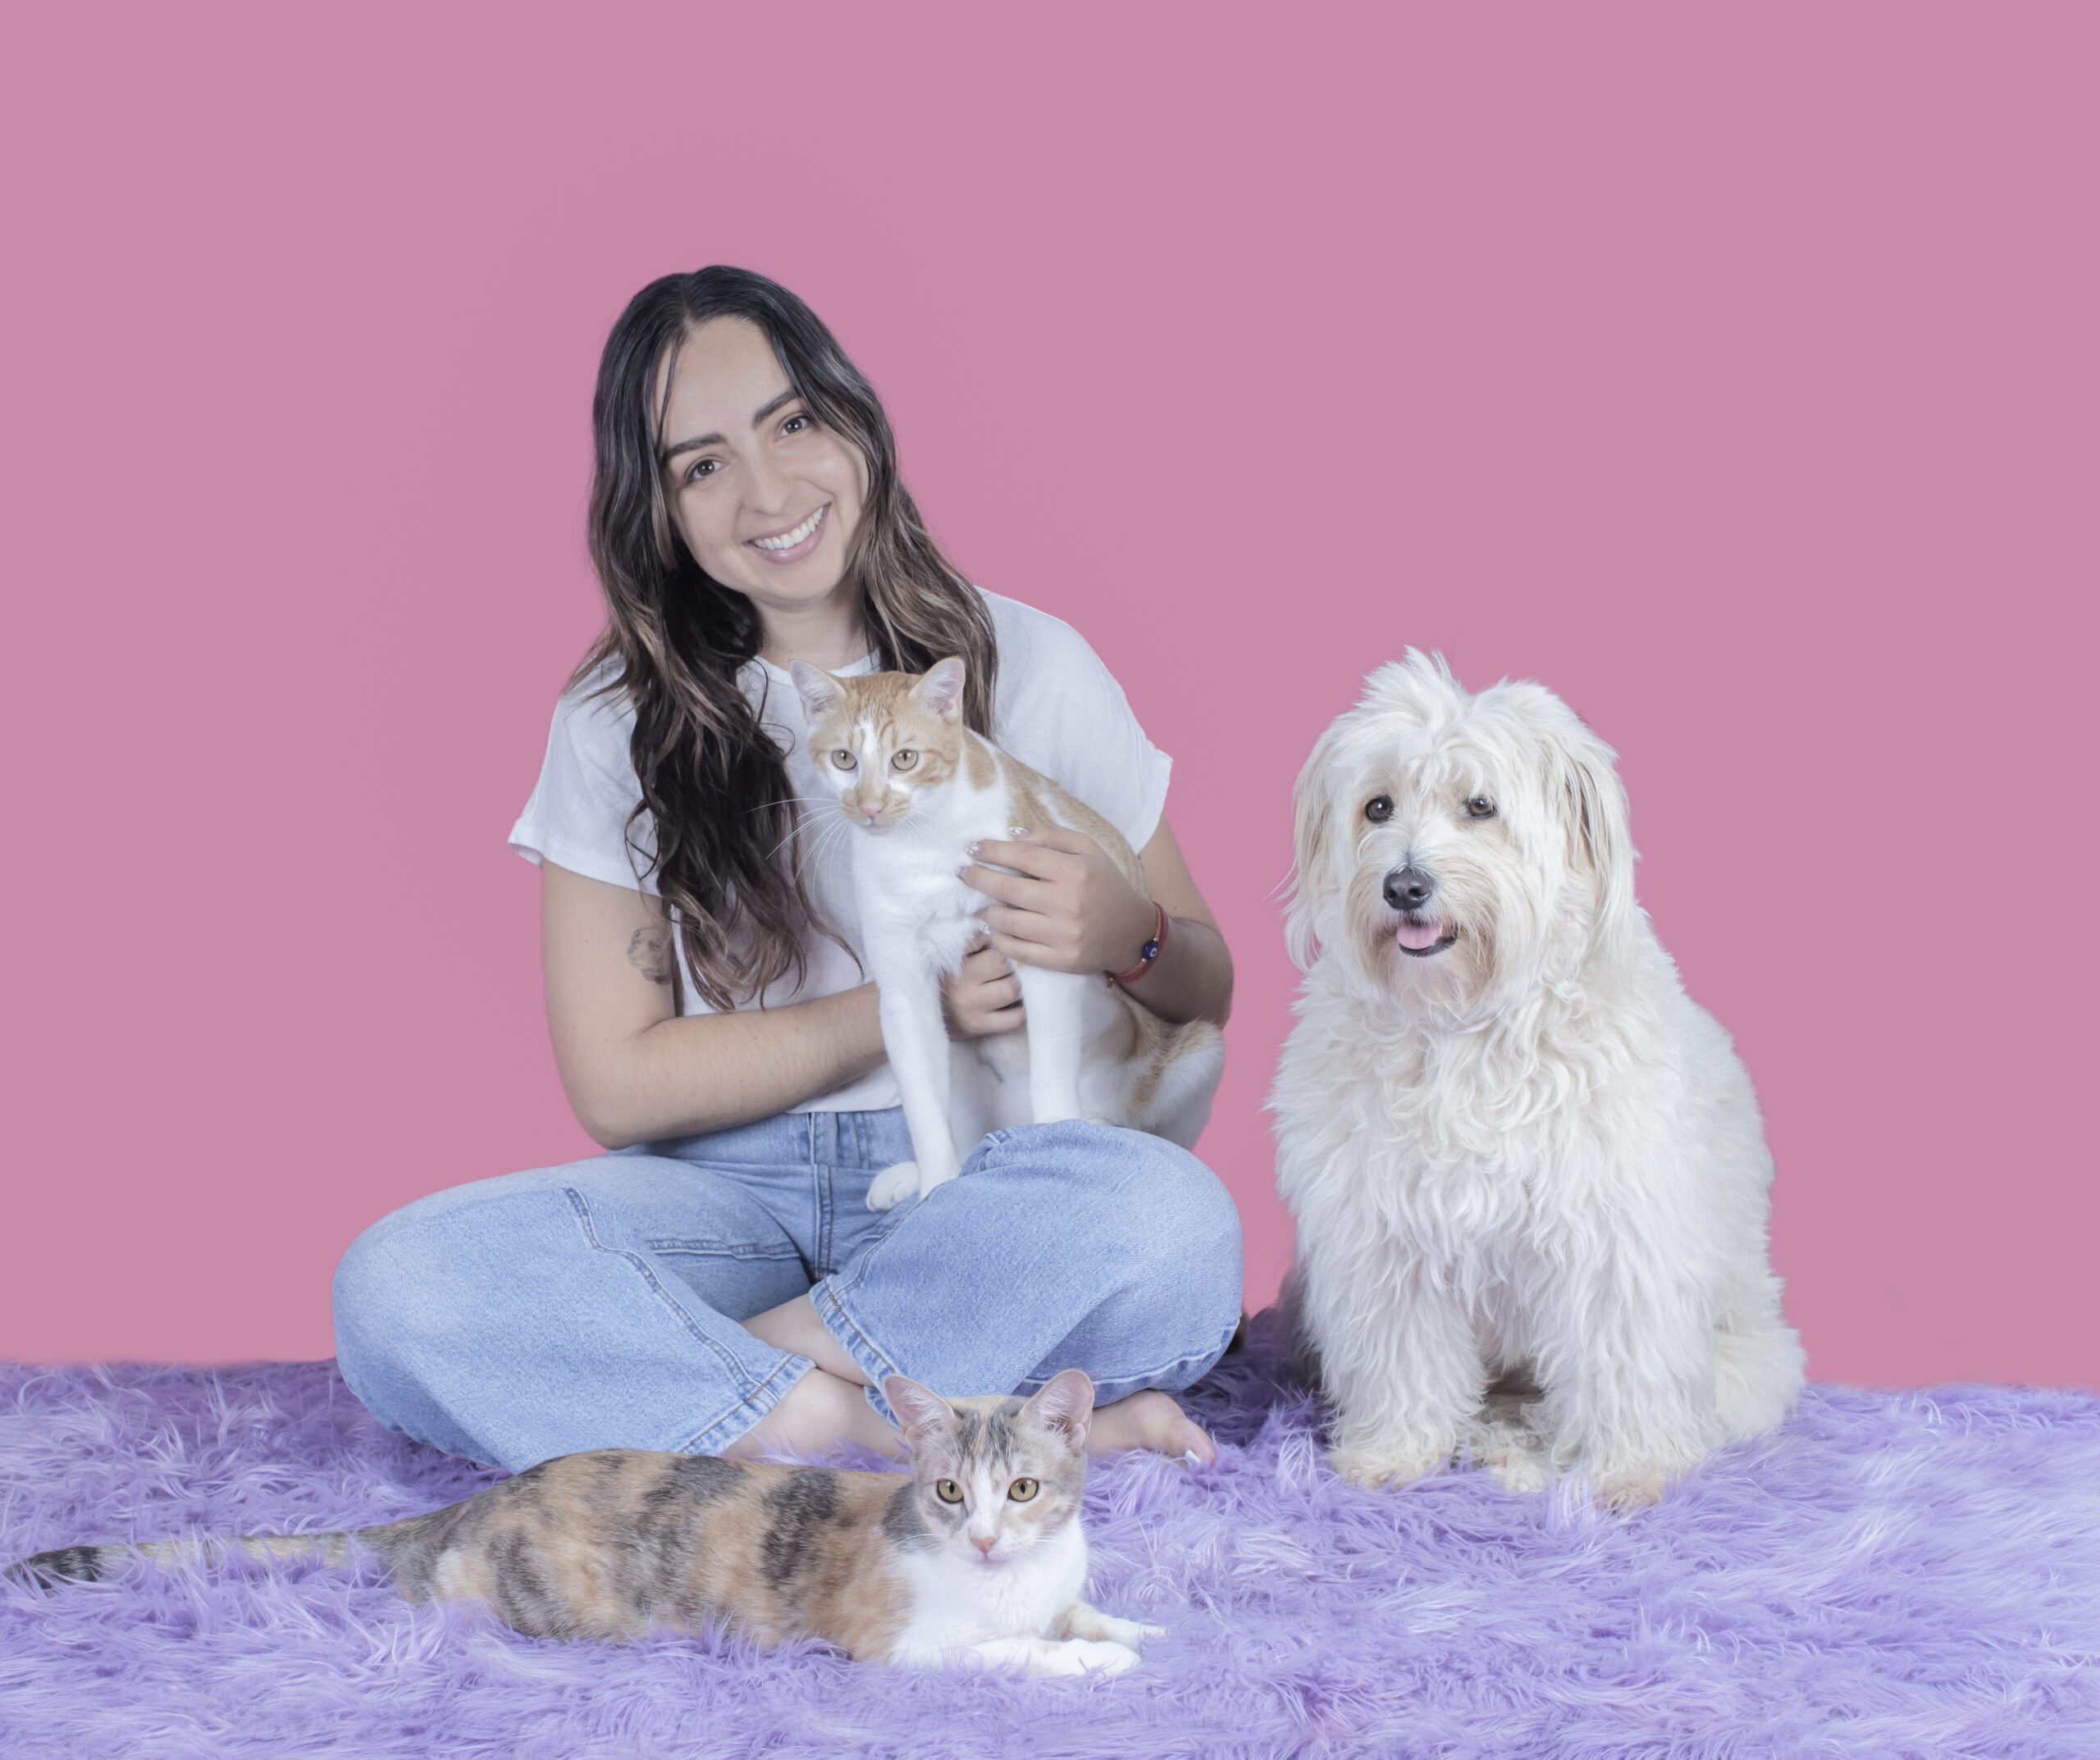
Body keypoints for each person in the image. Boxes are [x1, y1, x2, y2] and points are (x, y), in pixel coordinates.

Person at [331, 267, 1243, 1475]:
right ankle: (854, 1426)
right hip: (728, 1201)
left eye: (792, 424)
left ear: (853, 418)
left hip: (989, 1183)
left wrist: (1126, 927)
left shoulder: (1030, 660)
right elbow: (617, 1084)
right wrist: (902, 1009)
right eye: (701, 465)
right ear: (657, 511)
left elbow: (1204, 988)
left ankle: (719, 1389)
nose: (768, 492)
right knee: (400, 1285)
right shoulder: (616, 718)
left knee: (1174, 1225)